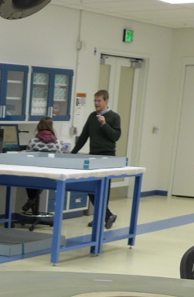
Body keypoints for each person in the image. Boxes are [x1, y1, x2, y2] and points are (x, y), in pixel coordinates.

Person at [71, 89, 122, 230]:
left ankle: (101, 217)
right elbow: (84, 136)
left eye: (99, 101)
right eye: (95, 101)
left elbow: (115, 136)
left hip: (108, 156)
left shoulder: (114, 117)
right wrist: (73, 153)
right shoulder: (92, 116)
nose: (96, 103)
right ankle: (106, 215)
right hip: (94, 155)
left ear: (106, 101)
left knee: (104, 188)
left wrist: (104, 124)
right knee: (91, 187)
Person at [21, 116, 60, 215]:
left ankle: (31, 198)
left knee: (29, 180)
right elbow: (60, 158)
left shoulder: (33, 141)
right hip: (49, 175)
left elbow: (27, 155)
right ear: (51, 127)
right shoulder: (57, 143)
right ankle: (33, 199)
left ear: (39, 126)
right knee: (41, 181)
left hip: (34, 174)